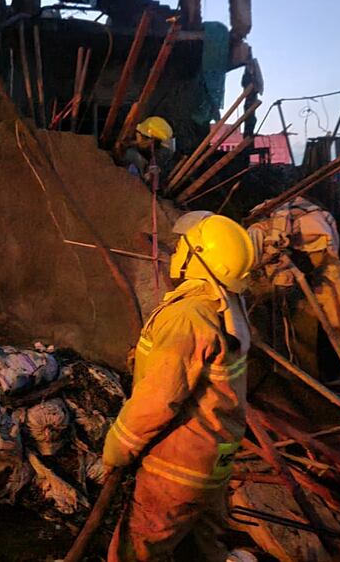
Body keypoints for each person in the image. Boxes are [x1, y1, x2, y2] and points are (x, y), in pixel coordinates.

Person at [102, 213, 256, 561]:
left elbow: (159, 399)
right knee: (203, 552)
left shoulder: (188, 316)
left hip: (175, 472)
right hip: (210, 470)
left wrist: (116, 449)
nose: (177, 251)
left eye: (183, 246)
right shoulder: (226, 308)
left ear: (197, 255)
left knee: (135, 554)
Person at [122, 116, 176, 183]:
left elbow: (152, 173)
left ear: (152, 141)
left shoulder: (162, 154)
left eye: (140, 135)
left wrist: (148, 174)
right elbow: (141, 143)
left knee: (131, 154)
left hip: (150, 169)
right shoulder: (161, 136)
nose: (137, 135)